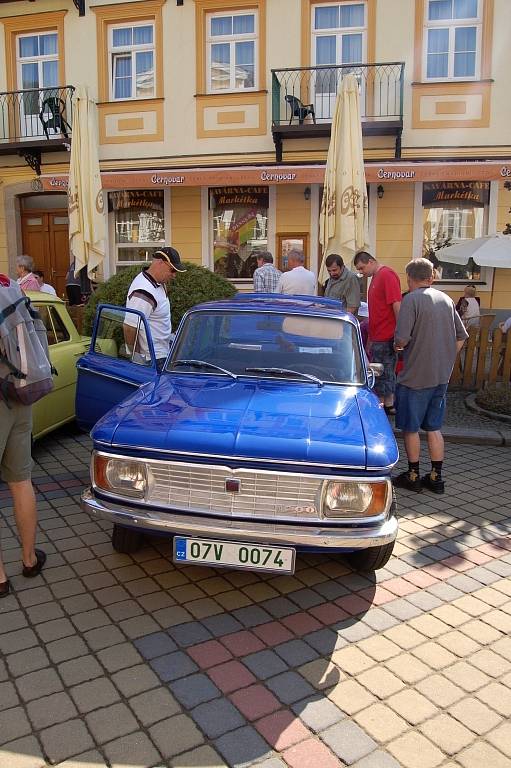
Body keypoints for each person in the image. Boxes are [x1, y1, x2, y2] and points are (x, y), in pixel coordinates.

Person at [393, 258, 468, 495]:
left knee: (411, 428)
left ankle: (413, 474)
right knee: (434, 427)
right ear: (431, 277)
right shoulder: (446, 299)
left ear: (409, 278)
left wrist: (397, 346)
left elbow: (402, 338)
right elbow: (461, 336)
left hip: (415, 376)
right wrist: (447, 358)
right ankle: (436, 477)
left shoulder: (411, 300)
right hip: (440, 376)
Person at [0, 274, 47, 598]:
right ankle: (29, 559)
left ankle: (0, 578)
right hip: (20, 395)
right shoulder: (10, 287)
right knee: (21, 481)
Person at [353, 250, 402, 415]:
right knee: (382, 371)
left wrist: (399, 332)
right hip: (379, 334)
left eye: (361, 268)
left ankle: (384, 406)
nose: (361, 272)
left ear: (370, 262)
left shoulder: (387, 275)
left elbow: (396, 304)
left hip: (387, 334)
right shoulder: (375, 278)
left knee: (384, 371)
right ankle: (387, 404)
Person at [125, 247, 185, 372]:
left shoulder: (158, 283)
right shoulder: (144, 290)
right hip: (154, 359)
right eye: (172, 270)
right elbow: (130, 327)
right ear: (160, 263)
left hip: (162, 353)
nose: (174, 275)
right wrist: (135, 357)